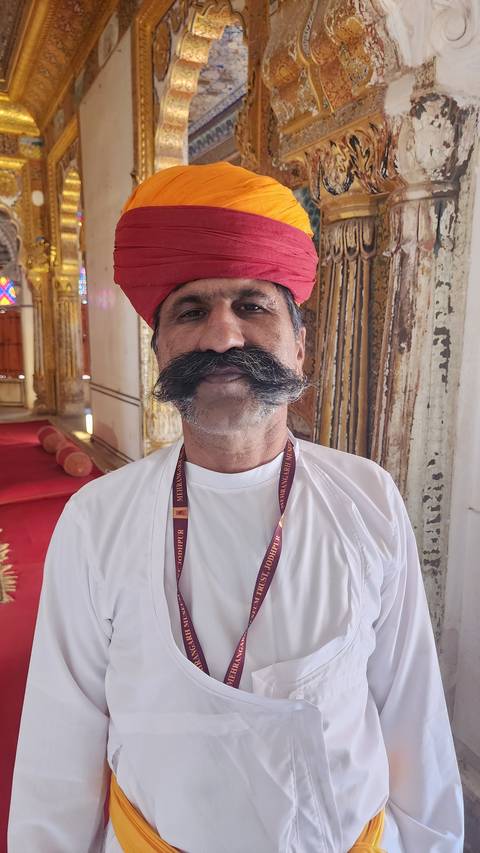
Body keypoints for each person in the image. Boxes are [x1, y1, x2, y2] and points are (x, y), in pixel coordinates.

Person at [8, 163, 463, 852]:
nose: (223, 336)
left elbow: (413, 720)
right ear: (158, 346)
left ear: (299, 343)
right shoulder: (96, 521)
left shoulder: (367, 500)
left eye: (252, 305)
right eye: (191, 311)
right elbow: (56, 754)